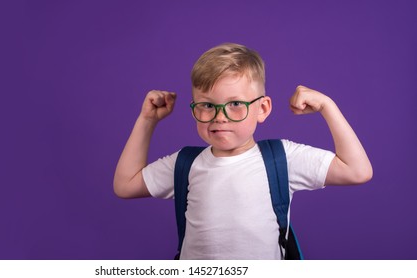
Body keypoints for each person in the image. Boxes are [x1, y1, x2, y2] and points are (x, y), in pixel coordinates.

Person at [113, 43, 372, 260]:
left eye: (235, 104)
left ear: (263, 109)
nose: (219, 117)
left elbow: (357, 171)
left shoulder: (281, 158)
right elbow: (125, 185)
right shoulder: (185, 164)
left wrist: (328, 106)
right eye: (206, 105)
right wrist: (147, 120)